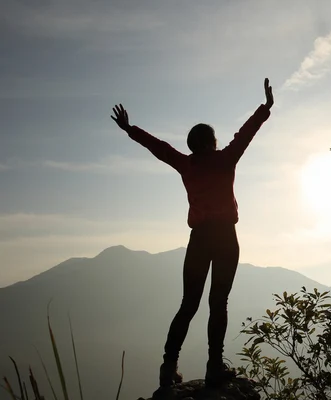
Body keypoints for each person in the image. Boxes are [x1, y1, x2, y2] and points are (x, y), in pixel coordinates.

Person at [110, 78, 274, 388]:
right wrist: (264, 108)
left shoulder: (187, 165)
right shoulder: (226, 159)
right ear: (212, 142)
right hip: (226, 238)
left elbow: (159, 148)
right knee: (218, 303)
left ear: (192, 146)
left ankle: (168, 367)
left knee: (189, 304)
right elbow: (246, 133)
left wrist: (130, 129)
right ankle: (214, 365)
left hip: (199, 241)